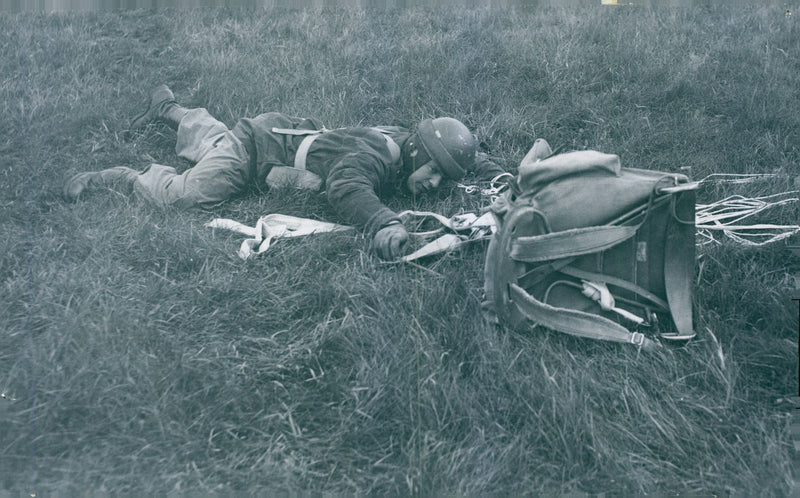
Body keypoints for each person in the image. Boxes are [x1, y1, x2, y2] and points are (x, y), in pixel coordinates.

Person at [64, 85, 507, 260]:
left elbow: (471, 160)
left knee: (214, 142)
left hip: (273, 133)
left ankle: (169, 107)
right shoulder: (375, 156)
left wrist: (509, 180)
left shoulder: (411, 141)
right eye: (433, 172)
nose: (433, 185)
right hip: (255, 153)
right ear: (415, 151)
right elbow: (346, 187)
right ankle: (122, 176)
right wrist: (383, 221)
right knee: (188, 192)